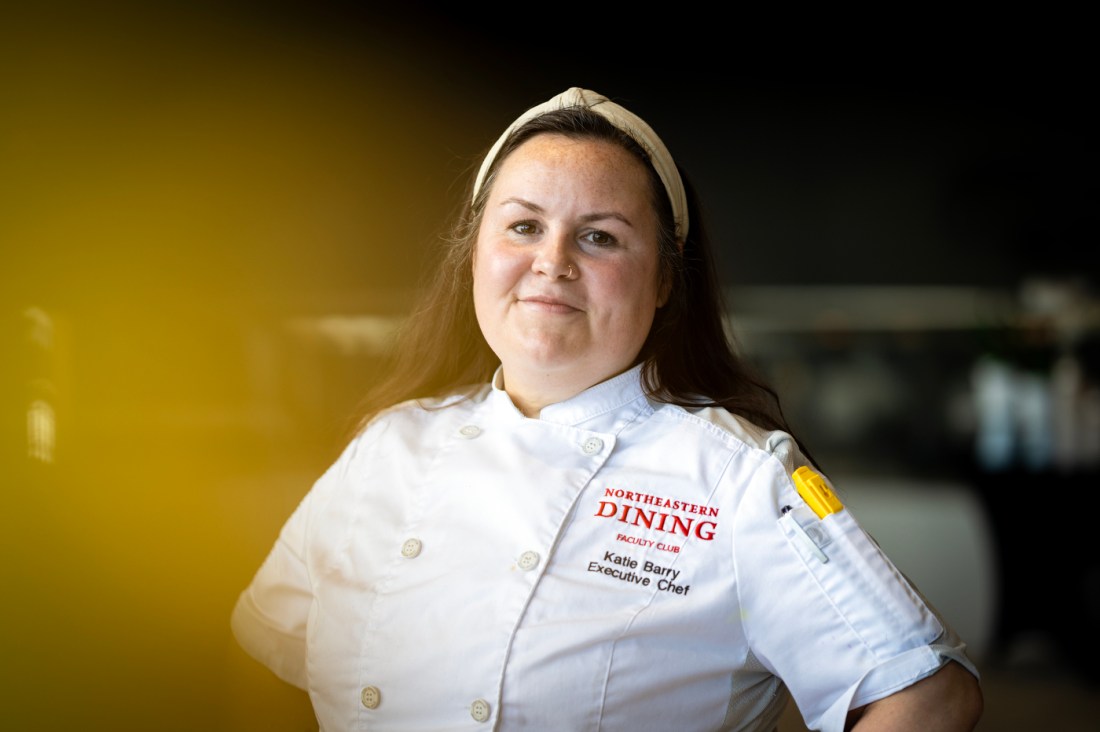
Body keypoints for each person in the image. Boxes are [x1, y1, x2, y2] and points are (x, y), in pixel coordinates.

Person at [231, 87, 984, 731]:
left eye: (599, 237)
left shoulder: (738, 479)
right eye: (523, 226)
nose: (552, 261)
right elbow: (269, 653)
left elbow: (929, 696)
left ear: (664, 283)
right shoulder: (388, 448)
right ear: (475, 254)